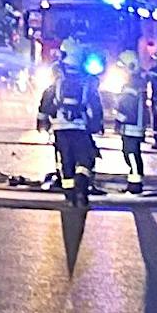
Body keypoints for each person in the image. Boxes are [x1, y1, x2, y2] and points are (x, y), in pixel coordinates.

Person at [36, 37, 104, 210]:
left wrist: (42, 119)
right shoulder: (86, 79)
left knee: (66, 160)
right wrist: (97, 123)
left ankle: (69, 195)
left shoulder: (58, 75)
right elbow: (95, 103)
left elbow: (47, 97)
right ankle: (81, 186)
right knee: (85, 159)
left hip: (59, 126)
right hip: (80, 126)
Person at [111, 50, 148, 193]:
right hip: (136, 125)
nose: (123, 71)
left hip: (131, 126)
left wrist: (118, 121)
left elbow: (126, 106)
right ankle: (134, 182)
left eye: (124, 67)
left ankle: (135, 184)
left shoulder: (131, 85)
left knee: (131, 153)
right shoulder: (137, 82)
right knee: (132, 153)